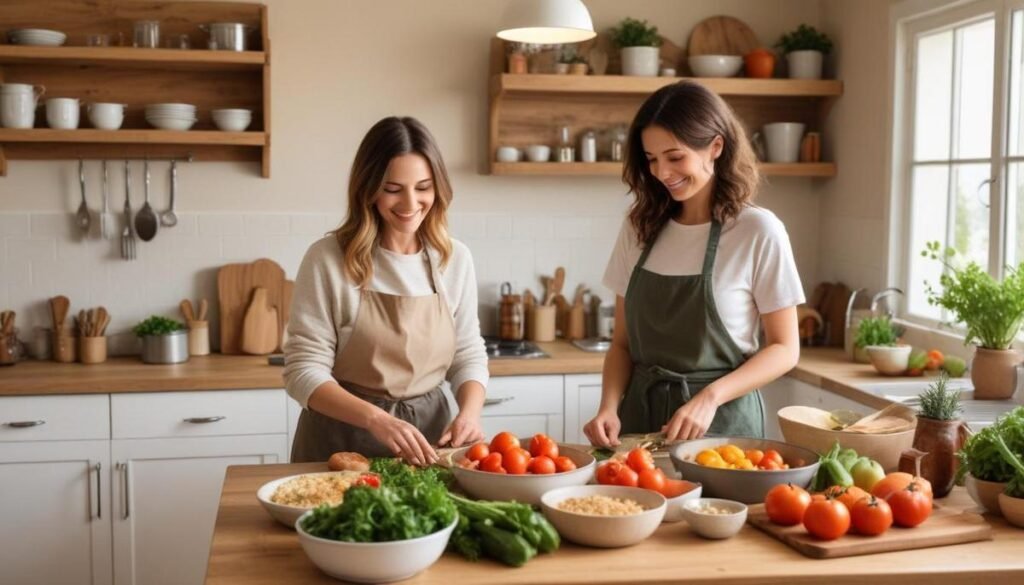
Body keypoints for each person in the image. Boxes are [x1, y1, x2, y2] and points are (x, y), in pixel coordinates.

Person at [584, 81, 803, 447]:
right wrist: (608, 407)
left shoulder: (758, 230)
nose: (661, 172)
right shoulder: (639, 227)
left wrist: (710, 397)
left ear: (715, 147)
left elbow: (785, 349)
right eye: (651, 159)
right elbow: (622, 345)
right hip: (639, 424)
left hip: (723, 430)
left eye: (674, 156)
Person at [284, 116, 488, 466]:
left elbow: (467, 352)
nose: (410, 203)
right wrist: (376, 419)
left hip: (429, 442)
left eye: (423, 187)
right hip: (341, 442)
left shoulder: (453, 259)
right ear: (369, 188)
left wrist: (469, 412)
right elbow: (303, 370)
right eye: (393, 189)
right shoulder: (328, 259)